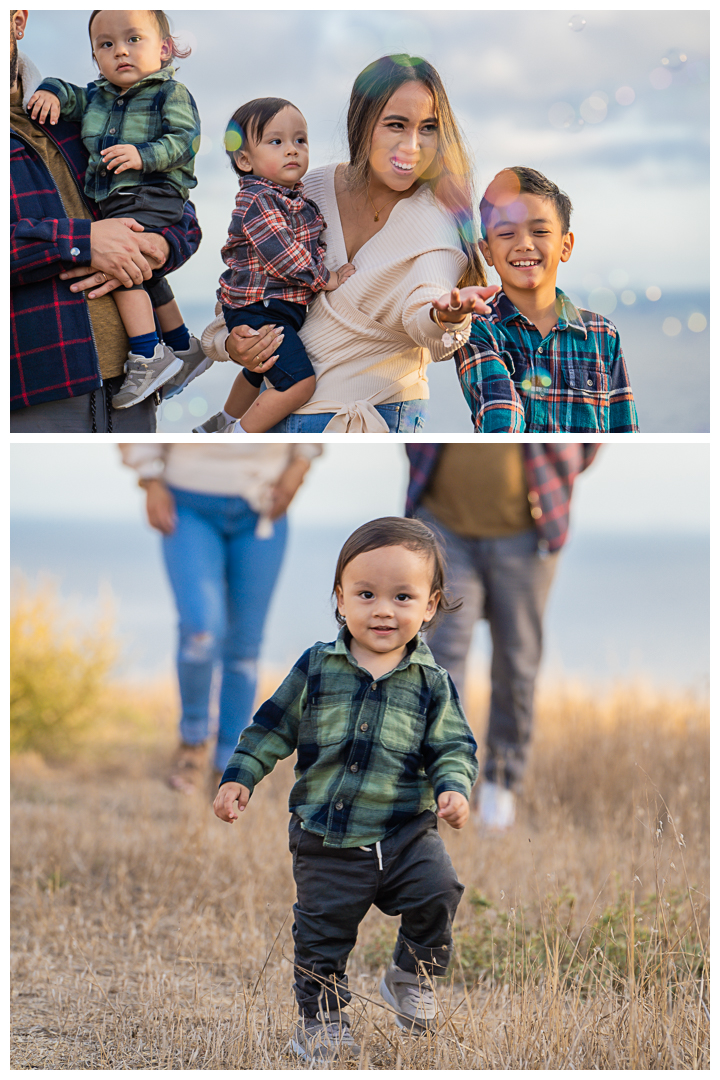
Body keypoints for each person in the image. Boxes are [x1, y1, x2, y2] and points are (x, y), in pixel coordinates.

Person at [213, 518, 478, 1061]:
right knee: (321, 937)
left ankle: (410, 975)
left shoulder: (433, 684)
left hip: (406, 832)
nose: (384, 609)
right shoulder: (316, 667)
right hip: (326, 838)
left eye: (403, 596)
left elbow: (453, 747)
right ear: (340, 599)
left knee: (439, 890)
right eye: (366, 594)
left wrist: (454, 788)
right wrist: (241, 775)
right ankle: (322, 1022)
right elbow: (271, 727)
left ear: (430, 606)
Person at [201, 54, 499, 433]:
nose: (412, 145)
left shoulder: (437, 220)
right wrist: (231, 343)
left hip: (365, 421)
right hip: (272, 414)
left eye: (428, 128)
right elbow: (246, 282)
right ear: (362, 123)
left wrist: (447, 316)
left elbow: (427, 316)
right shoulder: (306, 189)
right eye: (396, 125)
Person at [10, 9, 201, 432]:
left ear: (17, 21)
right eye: (107, 44)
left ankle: (175, 349)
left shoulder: (73, 117)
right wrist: (82, 242)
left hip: (130, 391)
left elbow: (182, 213)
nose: (120, 52)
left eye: (133, 40)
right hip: (38, 391)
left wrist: (160, 245)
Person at [406, 443, 599, 830]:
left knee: (517, 662)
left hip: (528, 532)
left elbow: (588, 437)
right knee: (441, 660)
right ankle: (446, 782)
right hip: (443, 527)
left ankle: (500, 786)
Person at [120, 443, 322, 794]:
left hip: (264, 506)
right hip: (186, 503)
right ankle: (193, 740)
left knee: (245, 646)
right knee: (200, 631)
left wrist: (301, 463)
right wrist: (149, 477)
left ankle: (230, 757)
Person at [195, 96, 355, 434]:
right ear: (244, 159)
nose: (292, 149)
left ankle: (219, 423)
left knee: (257, 368)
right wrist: (327, 278)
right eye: (276, 142)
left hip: (268, 308)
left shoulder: (293, 198)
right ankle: (237, 435)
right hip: (262, 308)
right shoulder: (259, 199)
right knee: (298, 384)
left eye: (300, 140)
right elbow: (283, 254)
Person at [453, 167, 639, 433]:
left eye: (540, 231)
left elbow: (625, 429)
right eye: (506, 234)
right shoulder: (478, 328)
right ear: (487, 251)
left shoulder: (603, 334)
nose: (525, 244)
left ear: (566, 246)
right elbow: (500, 413)